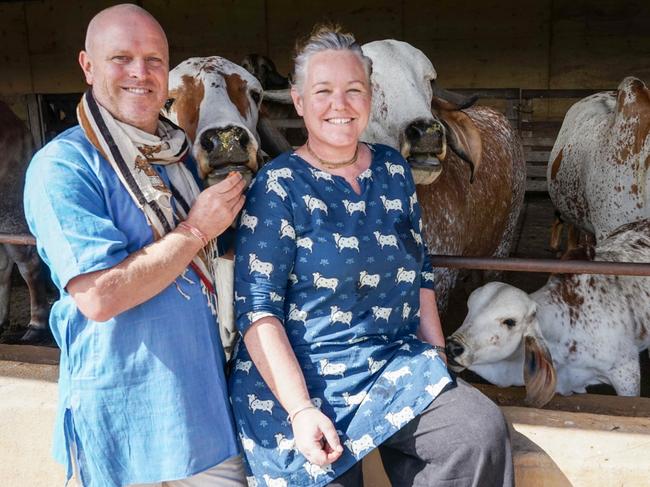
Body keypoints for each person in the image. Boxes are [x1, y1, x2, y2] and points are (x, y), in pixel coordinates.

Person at [229, 26, 514, 487]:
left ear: (370, 97)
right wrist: (301, 411)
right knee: (324, 474)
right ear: (298, 102)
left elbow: (420, 272)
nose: (339, 105)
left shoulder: (392, 168)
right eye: (323, 91)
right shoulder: (277, 186)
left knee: (476, 432)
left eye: (353, 90)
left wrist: (436, 357)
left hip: (393, 362)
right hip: (305, 375)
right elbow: (258, 311)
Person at [23, 5, 247, 486]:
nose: (140, 74)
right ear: (87, 65)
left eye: (154, 60)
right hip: (122, 430)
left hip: (207, 420)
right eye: (120, 58)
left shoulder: (177, 158)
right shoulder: (63, 166)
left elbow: (223, 246)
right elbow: (100, 297)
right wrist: (195, 231)